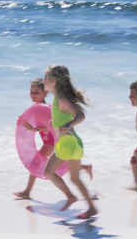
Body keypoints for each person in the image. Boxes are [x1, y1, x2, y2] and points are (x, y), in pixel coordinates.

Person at [13, 78, 92, 199]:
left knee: (35, 163)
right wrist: (22, 121)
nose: (33, 95)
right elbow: (35, 123)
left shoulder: (48, 109)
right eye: (31, 92)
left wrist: (36, 130)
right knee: (63, 164)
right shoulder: (34, 109)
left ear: (45, 93)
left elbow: (50, 126)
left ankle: (27, 191)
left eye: (36, 92)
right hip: (48, 141)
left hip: (51, 142)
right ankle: (84, 167)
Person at [43, 65, 97, 219]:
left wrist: (67, 125)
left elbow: (80, 115)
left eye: (45, 78)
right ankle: (90, 207)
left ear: (52, 81)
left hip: (68, 144)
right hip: (69, 144)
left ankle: (71, 197)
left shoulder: (62, 99)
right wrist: (57, 121)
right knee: (74, 178)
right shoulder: (56, 98)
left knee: (48, 172)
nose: (43, 80)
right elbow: (64, 115)